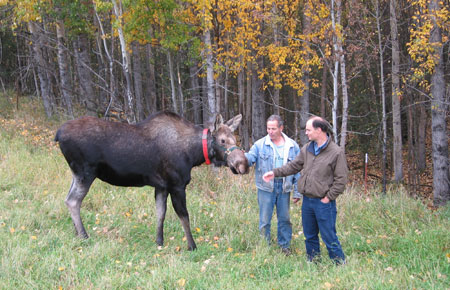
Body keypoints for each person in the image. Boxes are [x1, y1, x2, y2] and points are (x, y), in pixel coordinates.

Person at [263, 116, 348, 264]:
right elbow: (294, 166)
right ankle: (313, 261)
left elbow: (341, 180)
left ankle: (339, 263)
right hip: (307, 201)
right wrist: (275, 173)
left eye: (308, 130)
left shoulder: (336, 152)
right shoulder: (307, 148)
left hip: (324, 203)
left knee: (329, 235)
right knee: (309, 235)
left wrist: (328, 198)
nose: (306, 133)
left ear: (319, 130)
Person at [245, 115, 300, 255]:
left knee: (285, 219)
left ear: (281, 128)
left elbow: (299, 170)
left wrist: (297, 191)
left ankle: (284, 247)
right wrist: (240, 157)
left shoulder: (292, 146)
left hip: (284, 187)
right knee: (264, 219)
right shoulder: (259, 145)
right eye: (268, 128)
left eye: (273, 128)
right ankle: (265, 246)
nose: (270, 131)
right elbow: (250, 158)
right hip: (265, 188)